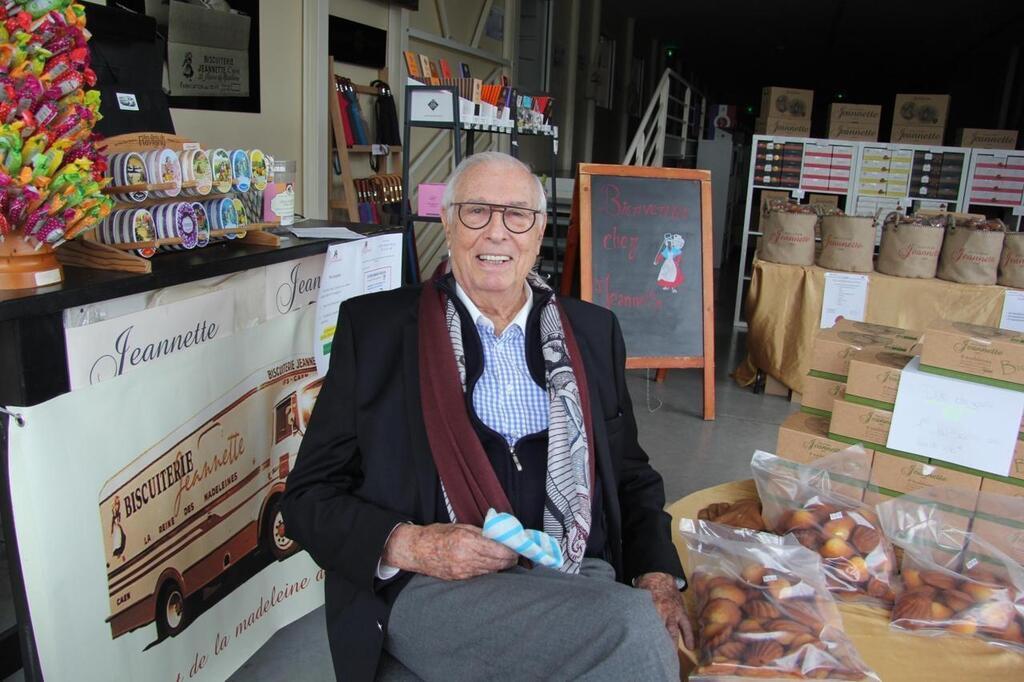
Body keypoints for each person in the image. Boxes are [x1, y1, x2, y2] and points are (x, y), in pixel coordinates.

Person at [282, 151, 692, 681]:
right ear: (449, 223)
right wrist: (413, 544)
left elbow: (631, 475)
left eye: (517, 214)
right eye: (476, 211)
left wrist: (657, 575)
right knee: (627, 631)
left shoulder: (593, 333)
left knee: (626, 624)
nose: (497, 233)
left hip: (573, 574)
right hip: (434, 588)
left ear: (539, 230)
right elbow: (309, 497)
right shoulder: (378, 331)